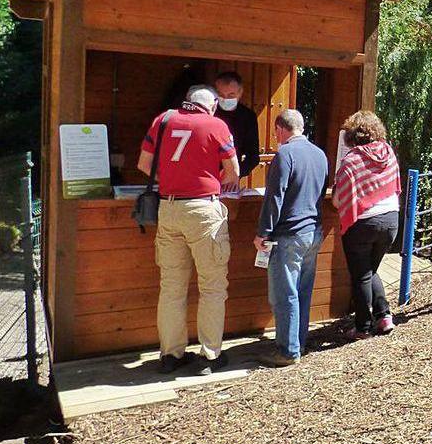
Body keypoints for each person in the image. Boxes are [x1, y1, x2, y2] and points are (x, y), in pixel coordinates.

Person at [137, 85, 238, 375]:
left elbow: (144, 164)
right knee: (212, 286)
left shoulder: (163, 120)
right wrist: (211, 180)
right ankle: (210, 356)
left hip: (168, 209)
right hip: (204, 211)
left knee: (171, 288)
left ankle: (170, 355)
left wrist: (171, 178)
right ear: (213, 104)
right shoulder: (216, 125)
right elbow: (233, 172)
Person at [254, 109, 328, 367]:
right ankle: (299, 341)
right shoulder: (319, 154)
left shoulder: (285, 154)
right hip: (313, 232)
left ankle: (287, 350)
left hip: (288, 234)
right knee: (303, 292)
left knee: (284, 294)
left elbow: (275, 196)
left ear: (280, 129)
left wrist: (263, 232)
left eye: (275, 133)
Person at [333, 111, 401, 341]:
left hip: (363, 222)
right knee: (371, 270)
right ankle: (384, 316)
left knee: (361, 274)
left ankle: (363, 326)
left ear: (351, 135)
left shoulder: (351, 160)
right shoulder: (388, 152)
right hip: (391, 219)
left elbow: (338, 197)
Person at [214, 71, 261, 189]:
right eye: (221, 94)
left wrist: (234, 173)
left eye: (230, 95)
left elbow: (253, 156)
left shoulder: (247, 116)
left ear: (240, 93)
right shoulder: (209, 113)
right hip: (206, 177)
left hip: (231, 183)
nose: (225, 99)